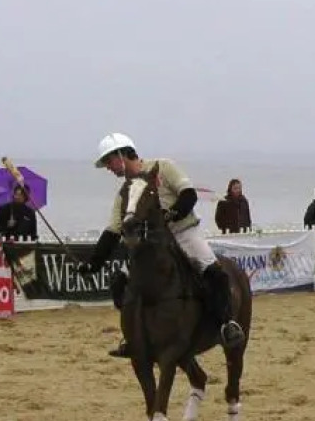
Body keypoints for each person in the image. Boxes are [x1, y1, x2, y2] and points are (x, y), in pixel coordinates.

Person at [77, 132, 245, 358]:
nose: (109, 167)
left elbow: (188, 195)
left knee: (215, 273)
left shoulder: (164, 167)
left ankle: (227, 324)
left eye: (109, 161)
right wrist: (92, 264)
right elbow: (113, 230)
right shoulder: (124, 192)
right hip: (152, 247)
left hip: (184, 233)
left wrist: (171, 214)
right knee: (119, 282)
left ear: (121, 154)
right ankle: (133, 336)